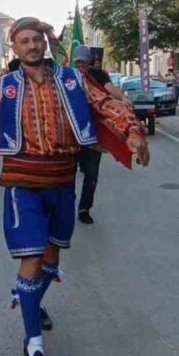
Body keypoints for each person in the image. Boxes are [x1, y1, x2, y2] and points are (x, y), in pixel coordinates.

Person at [0, 17, 148, 356]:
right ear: (14, 48)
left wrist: (132, 132)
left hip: (62, 179)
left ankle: (29, 298)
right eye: (23, 41)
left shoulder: (72, 80)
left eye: (36, 40)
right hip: (22, 182)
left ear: (44, 43)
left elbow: (107, 105)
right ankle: (33, 341)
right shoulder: (7, 86)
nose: (31, 46)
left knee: (51, 258)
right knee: (31, 261)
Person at [71, 46, 108, 225]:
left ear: (89, 61)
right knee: (68, 172)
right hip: (70, 135)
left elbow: (110, 89)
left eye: (83, 61)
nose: (80, 65)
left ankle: (84, 208)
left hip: (93, 134)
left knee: (91, 173)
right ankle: (66, 205)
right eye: (77, 61)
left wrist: (122, 98)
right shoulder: (67, 76)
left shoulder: (99, 76)